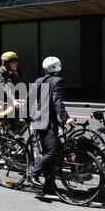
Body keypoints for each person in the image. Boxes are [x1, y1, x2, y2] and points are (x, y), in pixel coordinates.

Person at [26, 57, 77, 194]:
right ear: (58, 67)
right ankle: (34, 174)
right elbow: (57, 102)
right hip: (47, 123)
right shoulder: (57, 81)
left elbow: (29, 100)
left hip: (38, 121)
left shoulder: (38, 81)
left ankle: (48, 185)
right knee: (55, 150)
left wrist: (26, 117)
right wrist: (65, 118)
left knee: (48, 152)